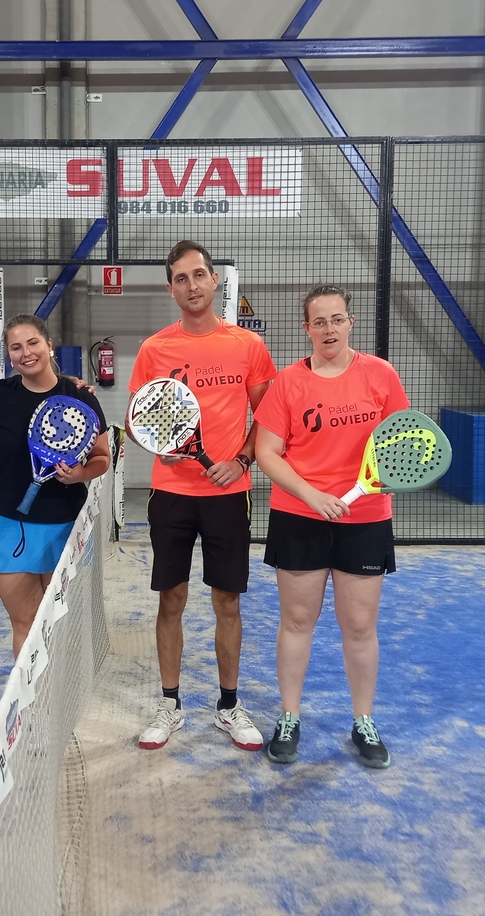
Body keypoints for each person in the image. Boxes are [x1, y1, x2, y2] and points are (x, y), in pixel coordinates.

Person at [127, 240, 276, 751]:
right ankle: (169, 705)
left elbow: (268, 418)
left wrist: (242, 461)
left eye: (198, 275)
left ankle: (229, 706)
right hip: (170, 494)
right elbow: (136, 419)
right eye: (180, 278)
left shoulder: (247, 346)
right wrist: (159, 445)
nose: (191, 285)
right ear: (170, 289)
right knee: (171, 598)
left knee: (226, 601)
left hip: (227, 494)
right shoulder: (154, 349)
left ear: (214, 280)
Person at [252, 285, 409, 768]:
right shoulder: (287, 383)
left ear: (350, 322)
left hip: (364, 518)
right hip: (300, 516)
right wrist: (312, 495)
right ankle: (289, 717)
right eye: (318, 322)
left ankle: (364, 721)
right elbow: (266, 452)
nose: (329, 329)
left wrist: (385, 479)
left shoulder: (380, 375)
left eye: (337, 319)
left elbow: (401, 441)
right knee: (298, 620)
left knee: (360, 626)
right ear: (307, 329)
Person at [0, 315, 111, 656]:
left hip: (65, 524)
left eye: (33, 343)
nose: (26, 353)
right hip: (4, 523)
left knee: (59, 622)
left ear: (49, 345)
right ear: (9, 355)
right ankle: (30, 694)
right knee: (26, 622)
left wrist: (81, 474)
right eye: (16, 347)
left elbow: (102, 456)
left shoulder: (79, 396)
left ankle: (56, 690)